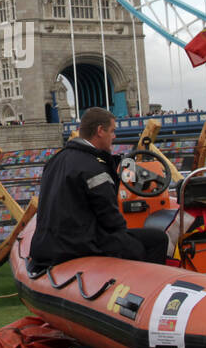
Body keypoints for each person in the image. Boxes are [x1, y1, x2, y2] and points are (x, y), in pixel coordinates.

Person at [30, 107, 168, 269]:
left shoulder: (55, 161)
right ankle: (149, 286)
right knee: (156, 239)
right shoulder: (93, 167)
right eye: (112, 131)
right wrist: (125, 239)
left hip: (50, 244)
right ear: (100, 131)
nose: (114, 137)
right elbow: (110, 218)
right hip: (77, 245)